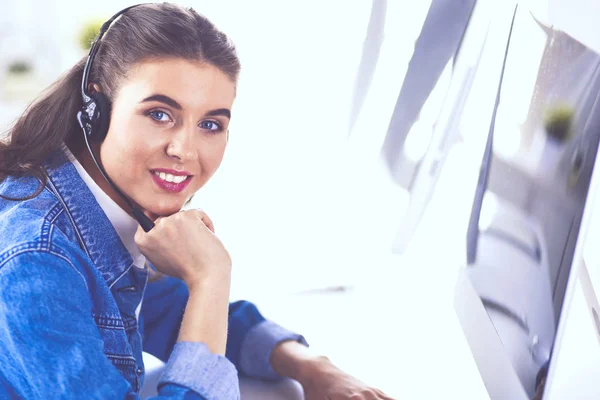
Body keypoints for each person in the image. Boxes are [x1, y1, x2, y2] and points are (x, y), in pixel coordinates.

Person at [0, 3, 394, 399]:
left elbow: (167, 311)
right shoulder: (40, 256)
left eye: (210, 124)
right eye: (159, 114)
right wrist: (210, 278)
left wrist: (311, 368)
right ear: (95, 110)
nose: (186, 151)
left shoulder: (100, 207)